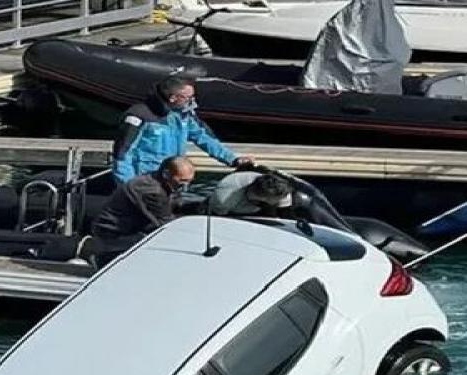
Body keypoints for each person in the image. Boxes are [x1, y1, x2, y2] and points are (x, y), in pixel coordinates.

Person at [112, 76, 253, 184]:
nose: (192, 101)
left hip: (174, 180)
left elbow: (204, 138)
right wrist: (128, 186)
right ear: (173, 98)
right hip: (146, 181)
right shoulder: (139, 116)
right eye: (188, 98)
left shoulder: (184, 115)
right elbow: (122, 154)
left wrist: (233, 159)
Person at [91, 156, 197, 260]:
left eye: (189, 182)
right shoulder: (151, 191)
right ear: (166, 174)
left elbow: (175, 205)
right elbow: (167, 223)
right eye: (182, 182)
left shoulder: (161, 181)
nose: (185, 187)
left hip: (130, 229)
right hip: (114, 237)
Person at [207, 170, 347, 230]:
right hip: (232, 211)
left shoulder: (280, 189)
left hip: (260, 203)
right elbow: (217, 219)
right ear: (263, 197)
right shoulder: (225, 197)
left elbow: (286, 216)